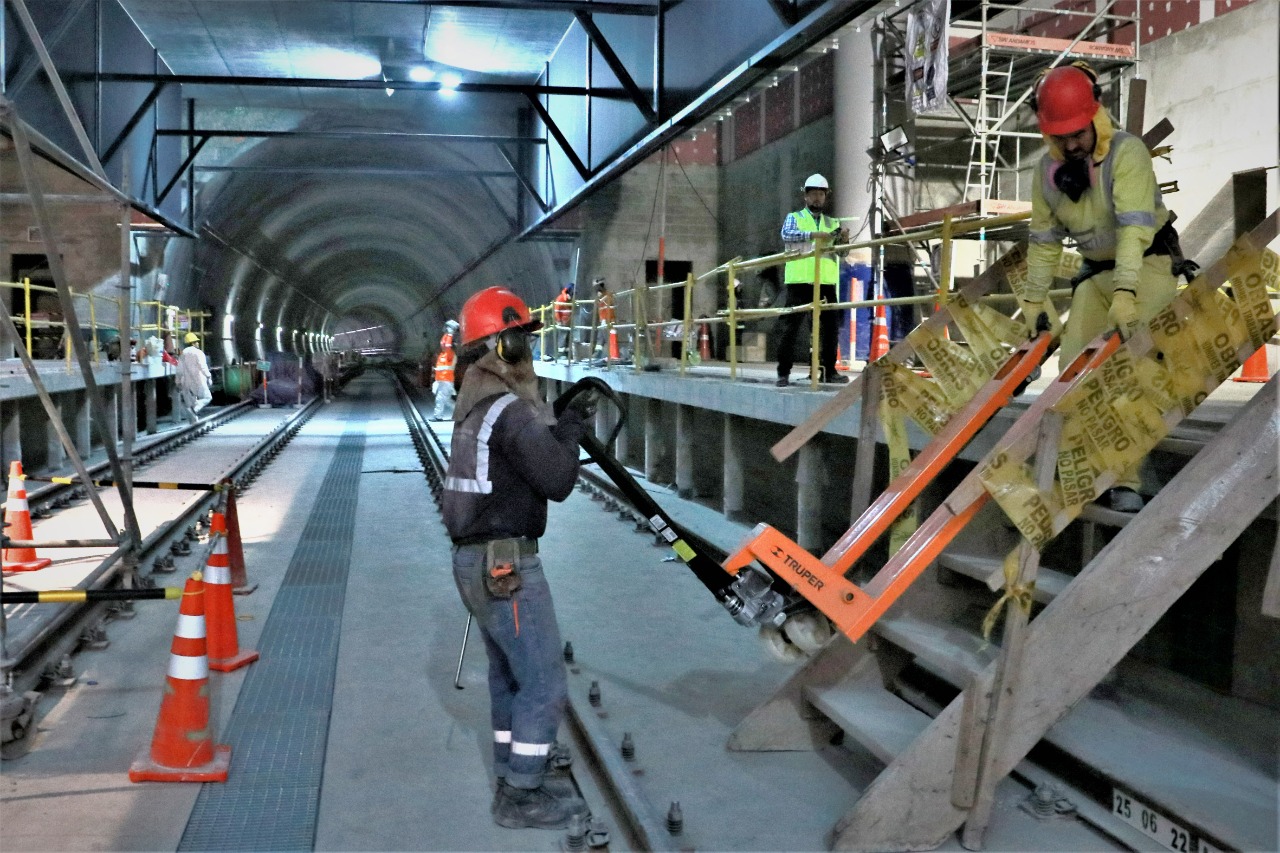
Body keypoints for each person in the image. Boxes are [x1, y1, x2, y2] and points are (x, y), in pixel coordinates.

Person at [442, 285, 596, 830]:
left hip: (477, 564)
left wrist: (556, 422)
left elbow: (527, 452)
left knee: (509, 675)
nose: (527, 348)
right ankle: (520, 795)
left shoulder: (477, 402)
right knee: (545, 680)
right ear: (500, 346)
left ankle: (515, 762)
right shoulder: (506, 410)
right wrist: (573, 429)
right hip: (504, 567)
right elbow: (555, 479)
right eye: (520, 338)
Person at [1016, 62, 1189, 512]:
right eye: (1060, 137)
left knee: (1127, 370)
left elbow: (1134, 231)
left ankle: (1127, 481)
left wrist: (1127, 294)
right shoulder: (1046, 174)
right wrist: (1034, 301)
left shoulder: (1126, 154)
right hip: (1096, 275)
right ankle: (1093, 470)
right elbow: (1044, 241)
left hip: (1146, 267)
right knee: (1074, 369)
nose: (1071, 145)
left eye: (1078, 134)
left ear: (1094, 119)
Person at [776, 173, 849, 386]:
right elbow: (787, 235)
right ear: (805, 197)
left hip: (826, 283)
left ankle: (829, 371)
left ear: (826, 197)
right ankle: (783, 373)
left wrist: (843, 239)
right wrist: (812, 235)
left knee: (830, 329)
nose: (817, 198)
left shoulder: (832, 222)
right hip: (800, 282)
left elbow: (842, 254)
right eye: (813, 194)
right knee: (791, 329)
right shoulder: (795, 218)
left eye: (821, 194)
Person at [176, 331, 212, 423]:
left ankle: (193, 426)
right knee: (207, 398)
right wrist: (208, 376)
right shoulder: (198, 353)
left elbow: (179, 370)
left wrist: (178, 382)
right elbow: (202, 366)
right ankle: (196, 407)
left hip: (186, 383)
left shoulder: (182, 354)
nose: (198, 343)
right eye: (196, 341)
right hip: (198, 380)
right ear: (193, 343)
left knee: (189, 405)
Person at [431, 319, 458, 421]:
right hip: (441, 380)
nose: (442, 345)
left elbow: (446, 345)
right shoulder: (443, 354)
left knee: (441, 399)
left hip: (446, 381)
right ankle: (460, 415)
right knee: (446, 401)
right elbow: (443, 343)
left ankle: (438, 416)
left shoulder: (450, 354)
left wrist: (450, 334)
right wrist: (447, 333)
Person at [593, 278, 616, 360]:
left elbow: (608, 309)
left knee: (607, 337)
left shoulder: (606, 296)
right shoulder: (604, 297)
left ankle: (612, 354)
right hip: (604, 320)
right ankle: (597, 354)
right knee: (601, 338)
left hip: (606, 320)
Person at [552, 284, 573, 361]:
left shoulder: (569, 300)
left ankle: (567, 353)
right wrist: (559, 321)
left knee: (568, 337)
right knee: (563, 337)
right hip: (562, 322)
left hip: (568, 322)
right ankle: (561, 354)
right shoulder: (560, 299)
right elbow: (556, 311)